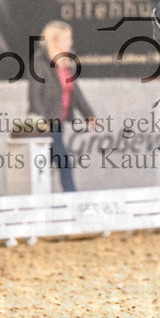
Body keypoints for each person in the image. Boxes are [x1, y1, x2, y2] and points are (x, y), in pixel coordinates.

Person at [27, 21, 95, 192]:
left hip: (58, 123)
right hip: (43, 124)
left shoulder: (65, 64)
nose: (70, 42)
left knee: (52, 162)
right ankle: (71, 196)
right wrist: (43, 120)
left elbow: (75, 93)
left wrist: (89, 115)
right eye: (67, 38)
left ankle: (63, 197)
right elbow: (34, 96)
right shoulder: (40, 63)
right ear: (55, 40)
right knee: (61, 162)